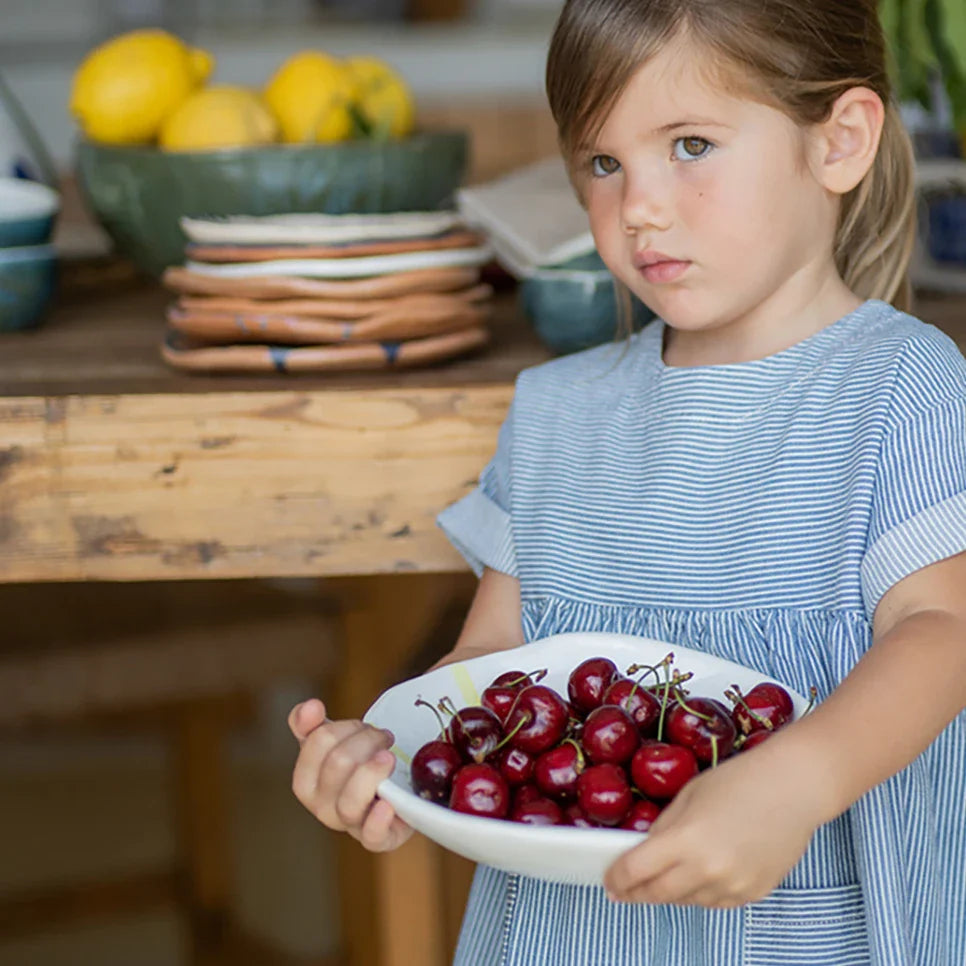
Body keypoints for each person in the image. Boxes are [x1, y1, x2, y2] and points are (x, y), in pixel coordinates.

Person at [288, 0, 966, 962]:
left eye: (690, 144)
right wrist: (394, 754)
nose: (638, 206)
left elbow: (944, 630)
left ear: (841, 142)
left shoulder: (904, 384)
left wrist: (795, 781)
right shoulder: (557, 411)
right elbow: (488, 668)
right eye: (603, 164)